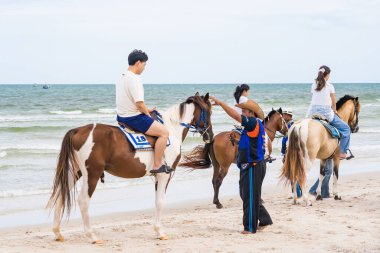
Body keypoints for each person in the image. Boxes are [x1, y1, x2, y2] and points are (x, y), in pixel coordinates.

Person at [210, 96, 272, 234]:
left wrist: (221, 103)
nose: (242, 113)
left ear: (251, 113)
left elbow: (235, 116)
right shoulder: (252, 126)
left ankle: (249, 227)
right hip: (250, 165)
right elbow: (251, 144)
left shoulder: (252, 122)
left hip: (253, 166)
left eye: (244, 111)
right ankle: (265, 219)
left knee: (249, 196)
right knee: (246, 195)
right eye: (242, 111)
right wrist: (237, 143)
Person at [116, 49, 173, 174]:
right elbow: (139, 103)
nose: (144, 68)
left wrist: (146, 109)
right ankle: (157, 165)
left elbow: (130, 100)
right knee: (164, 133)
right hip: (133, 118)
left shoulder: (121, 76)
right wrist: (147, 115)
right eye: (144, 64)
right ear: (138, 63)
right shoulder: (134, 79)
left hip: (121, 117)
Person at [306, 65, 351, 160]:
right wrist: (334, 110)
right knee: (346, 129)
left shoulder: (313, 85)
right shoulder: (330, 86)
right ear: (327, 75)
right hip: (326, 113)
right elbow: (333, 101)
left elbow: (314, 98)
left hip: (311, 112)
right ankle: (343, 153)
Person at [281, 109, 302, 198]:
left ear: (289, 116)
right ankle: (297, 192)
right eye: (283, 114)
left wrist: (283, 153)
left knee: (292, 173)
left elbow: (286, 140)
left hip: (289, 152)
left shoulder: (291, 125)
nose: (283, 116)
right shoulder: (293, 125)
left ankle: (296, 193)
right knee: (294, 173)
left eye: (285, 115)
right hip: (293, 151)